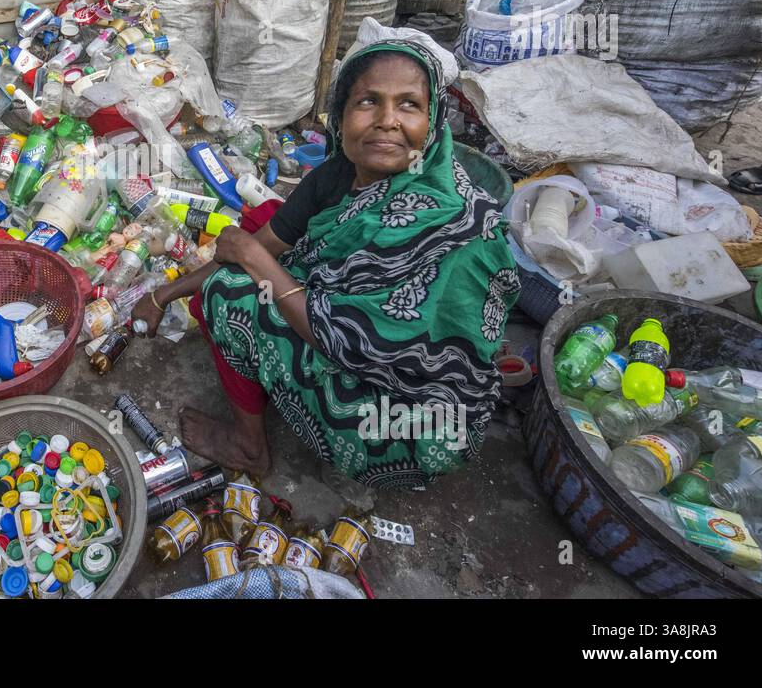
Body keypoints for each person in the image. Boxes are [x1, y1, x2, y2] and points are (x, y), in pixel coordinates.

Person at [134, 40, 521, 489]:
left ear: (432, 122)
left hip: (404, 430)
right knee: (261, 233)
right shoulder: (337, 175)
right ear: (340, 116)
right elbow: (260, 244)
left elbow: (338, 334)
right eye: (368, 101)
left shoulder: (453, 223)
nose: (387, 120)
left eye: (409, 105)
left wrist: (256, 262)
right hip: (346, 339)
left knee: (229, 294)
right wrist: (162, 294)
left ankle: (249, 446)